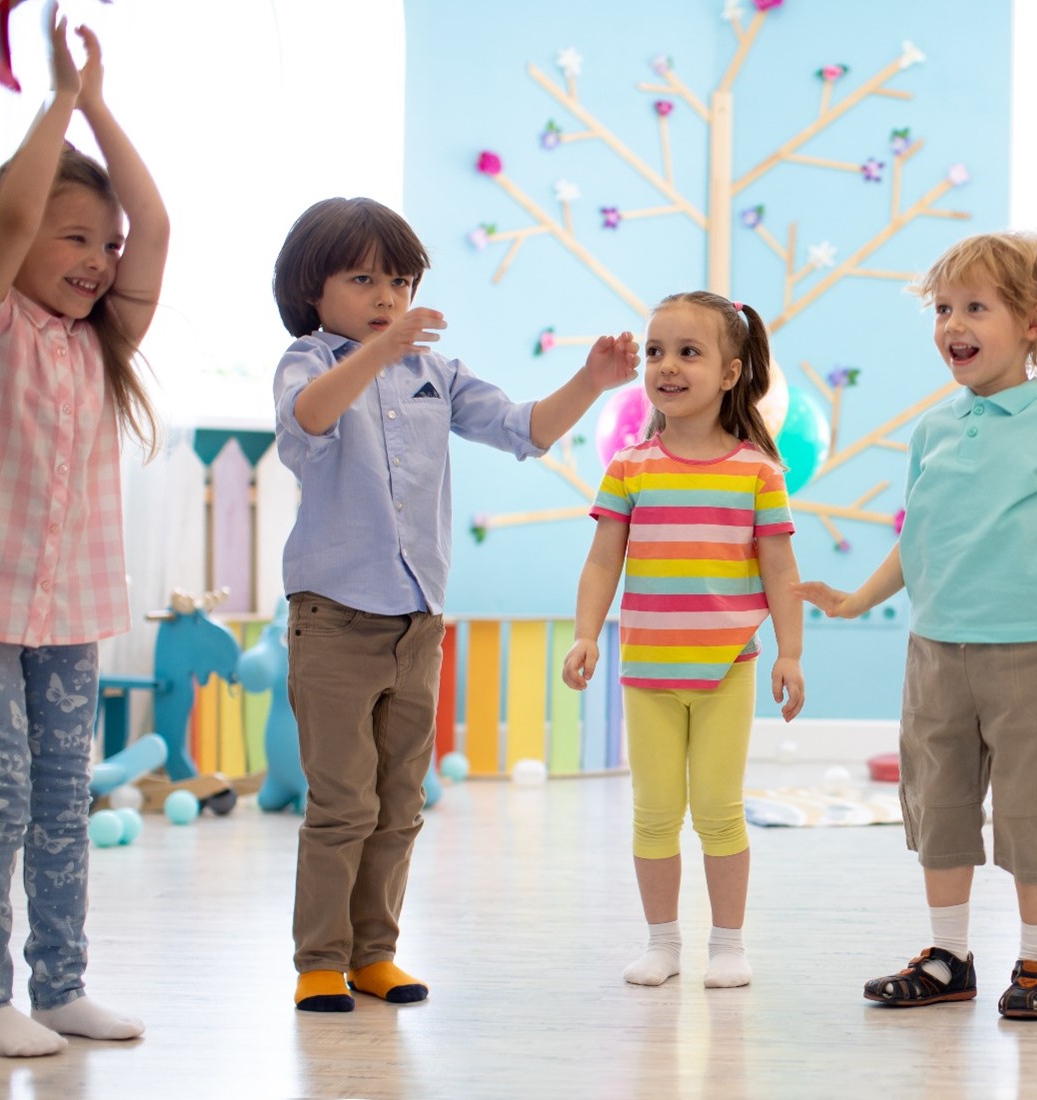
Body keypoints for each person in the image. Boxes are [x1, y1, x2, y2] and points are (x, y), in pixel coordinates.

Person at [272, 197, 638, 1012]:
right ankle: (319, 961)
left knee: (400, 803)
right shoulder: (307, 360)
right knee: (341, 803)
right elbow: (312, 418)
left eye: (399, 282)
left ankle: (375, 953)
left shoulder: (438, 374)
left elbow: (523, 429)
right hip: (334, 618)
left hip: (416, 621)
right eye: (363, 278)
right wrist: (380, 350)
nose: (386, 297)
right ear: (311, 286)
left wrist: (590, 381)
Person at [794, 232, 1037, 1020]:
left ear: (1032, 323)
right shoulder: (934, 430)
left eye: (976, 307)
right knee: (939, 803)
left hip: (1036, 650)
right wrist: (855, 599)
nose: (955, 322)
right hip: (938, 649)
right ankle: (949, 955)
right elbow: (917, 540)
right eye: (945, 308)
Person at [0, 6, 165, 1057]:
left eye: (106, 245)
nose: (100, 258)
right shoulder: (3, 317)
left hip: (69, 610)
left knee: (63, 797)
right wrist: (57, 100)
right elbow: (10, 221)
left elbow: (158, 228)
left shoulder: (100, 341)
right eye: (77, 237)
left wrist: (101, 103)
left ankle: (61, 983)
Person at [563, 292, 805, 990]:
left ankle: (727, 944)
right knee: (655, 813)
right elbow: (603, 558)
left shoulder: (758, 471)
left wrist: (789, 652)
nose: (667, 366)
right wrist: (587, 635)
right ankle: (663, 942)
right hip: (648, 670)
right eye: (655, 352)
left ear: (730, 374)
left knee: (721, 812)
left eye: (688, 352)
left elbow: (780, 567)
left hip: (728, 665)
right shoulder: (632, 468)